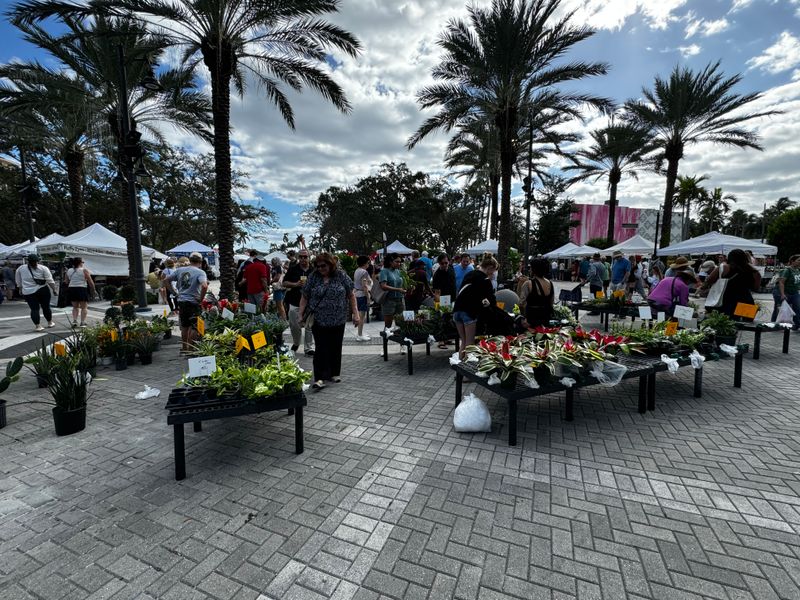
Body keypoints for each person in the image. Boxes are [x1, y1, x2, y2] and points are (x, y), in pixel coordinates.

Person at [299, 252, 359, 390]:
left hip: (338, 318)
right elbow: (305, 296)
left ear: (330, 264)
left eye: (323, 266)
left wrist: (356, 314)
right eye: (318, 266)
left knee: (335, 346)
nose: (320, 269)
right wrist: (300, 314)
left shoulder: (341, 275)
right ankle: (320, 377)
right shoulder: (314, 277)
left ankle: (334, 373)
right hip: (319, 319)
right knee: (321, 347)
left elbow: (351, 294)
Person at [452, 255, 497, 358]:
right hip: (469, 312)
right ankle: (466, 370)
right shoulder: (485, 279)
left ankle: (460, 372)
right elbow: (491, 299)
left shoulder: (470, 274)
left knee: (463, 343)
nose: (493, 274)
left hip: (457, 310)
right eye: (493, 271)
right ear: (489, 267)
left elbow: (464, 291)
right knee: (470, 345)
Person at [166, 252, 208, 352]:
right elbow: (205, 286)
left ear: (190, 260)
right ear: (200, 262)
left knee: (184, 326)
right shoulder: (200, 272)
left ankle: (184, 348)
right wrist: (201, 299)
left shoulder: (180, 270)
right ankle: (191, 348)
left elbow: (166, 280)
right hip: (193, 302)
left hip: (181, 301)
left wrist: (174, 292)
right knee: (195, 326)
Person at [704, 248, 761, 320]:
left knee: (725, 325)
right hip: (747, 303)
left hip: (726, 303)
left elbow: (709, 281)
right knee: (746, 326)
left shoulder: (724, 268)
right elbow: (756, 288)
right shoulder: (754, 272)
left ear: (730, 258)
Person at [283, 249, 315, 355]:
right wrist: (296, 284)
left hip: (310, 302)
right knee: (294, 325)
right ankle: (296, 342)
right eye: (301, 257)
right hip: (295, 301)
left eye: (305, 257)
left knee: (309, 326)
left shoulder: (314, 270)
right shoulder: (293, 269)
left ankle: (308, 348)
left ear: (309, 257)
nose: (303, 259)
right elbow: (284, 283)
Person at [15, 254, 57, 331]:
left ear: (28, 261)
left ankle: (38, 326)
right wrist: (54, 289)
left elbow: (18, 281)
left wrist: (20, 289)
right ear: (38, 261)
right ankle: (50, 322)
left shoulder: (21, 268)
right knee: (46, 307)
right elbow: (50, 280)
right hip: (42, 289)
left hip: (28, 292)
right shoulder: (43, 268)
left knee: (34, 309)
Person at [520, 258, 554, 328]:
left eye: (531, 268)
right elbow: (551, 303)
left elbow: (521, 303)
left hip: (531, 320)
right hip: (545, 320)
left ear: (534, 270)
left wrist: (523, 317)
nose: (530, 270)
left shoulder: (528, 284)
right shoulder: (550, 283)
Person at [65, 257, 96, 327]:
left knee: (75, 307)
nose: (83, 263)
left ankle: (75, 321)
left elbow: (66, 281)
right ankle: (82, 322)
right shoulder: (84, 270)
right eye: (83, 262)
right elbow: (90, 281)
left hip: (72, 289)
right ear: (80, 263)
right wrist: (93, 290)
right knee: (84, 307)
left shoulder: (69, 270)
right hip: (81, 289)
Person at [379, 253, 406, 331]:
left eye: (400, 262)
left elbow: (401, 284)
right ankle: (385, 342)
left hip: (400, 300)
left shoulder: (398, 271)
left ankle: (400, 341)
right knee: (388, 326)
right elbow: (383, 286)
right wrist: (398, 289)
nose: (399, 263)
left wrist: (407, 288)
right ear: (390, 262)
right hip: (389, 301)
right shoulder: (384, 271)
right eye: (397, 261)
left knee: (400, 324)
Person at [776, 254, 800, 330]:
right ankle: (775, 324)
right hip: (785, 292)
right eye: (799, 260)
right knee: (781, 309)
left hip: (794, 292)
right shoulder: (787, 270)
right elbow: (781, 282)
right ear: (792, 261)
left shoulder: (797, 270)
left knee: (798, 308)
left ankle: (797, 325)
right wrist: (782, 294)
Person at [353, 255, 372, 341]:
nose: (369, 264)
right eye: (368, 262)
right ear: (365, 263)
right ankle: (360, 334)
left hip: (357, 294)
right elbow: (364, 286)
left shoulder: (357, 271)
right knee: (362, 316)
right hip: (362, 294)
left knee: (360, 315)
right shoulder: (364, 272)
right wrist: (368, 298)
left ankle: (360, 333)